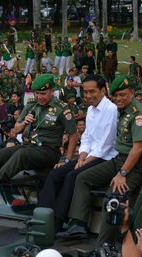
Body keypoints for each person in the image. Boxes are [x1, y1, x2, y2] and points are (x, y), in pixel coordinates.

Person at [58, 76, 142, 246]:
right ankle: (79, 225)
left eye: (123, 95)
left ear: (132, 93)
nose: (118, 99)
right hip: (120, 159)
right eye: (116, 95)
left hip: (138, 165)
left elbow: (138, 148)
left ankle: (103, 247)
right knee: (83, 177)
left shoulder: (138, 114)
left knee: (113, 199)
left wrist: (122, 173)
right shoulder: (121, 111)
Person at [0, 74, 78, 199]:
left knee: (22, 155)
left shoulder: (61, 109)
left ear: (52, 91)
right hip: (29, 146)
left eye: (43, 93)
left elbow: (73, 134)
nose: (39, 97)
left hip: (48, 151)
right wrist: (24, 123)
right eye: (37, 93)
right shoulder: (31, 105)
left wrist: (66, 159)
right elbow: (15, 130)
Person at [38, 75, 118, 232]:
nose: (88, 96)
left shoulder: (111, 110)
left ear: (103, 90)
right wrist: (81, 157)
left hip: (104, 158)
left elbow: (105, 145)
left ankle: (58, 222)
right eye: (85, 92)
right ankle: (42, 216)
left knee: (72, 176)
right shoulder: (90, 109)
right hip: (88, 156)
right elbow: (87, 137)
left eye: (92, 92)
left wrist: (84, 162)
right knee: (56, 174)